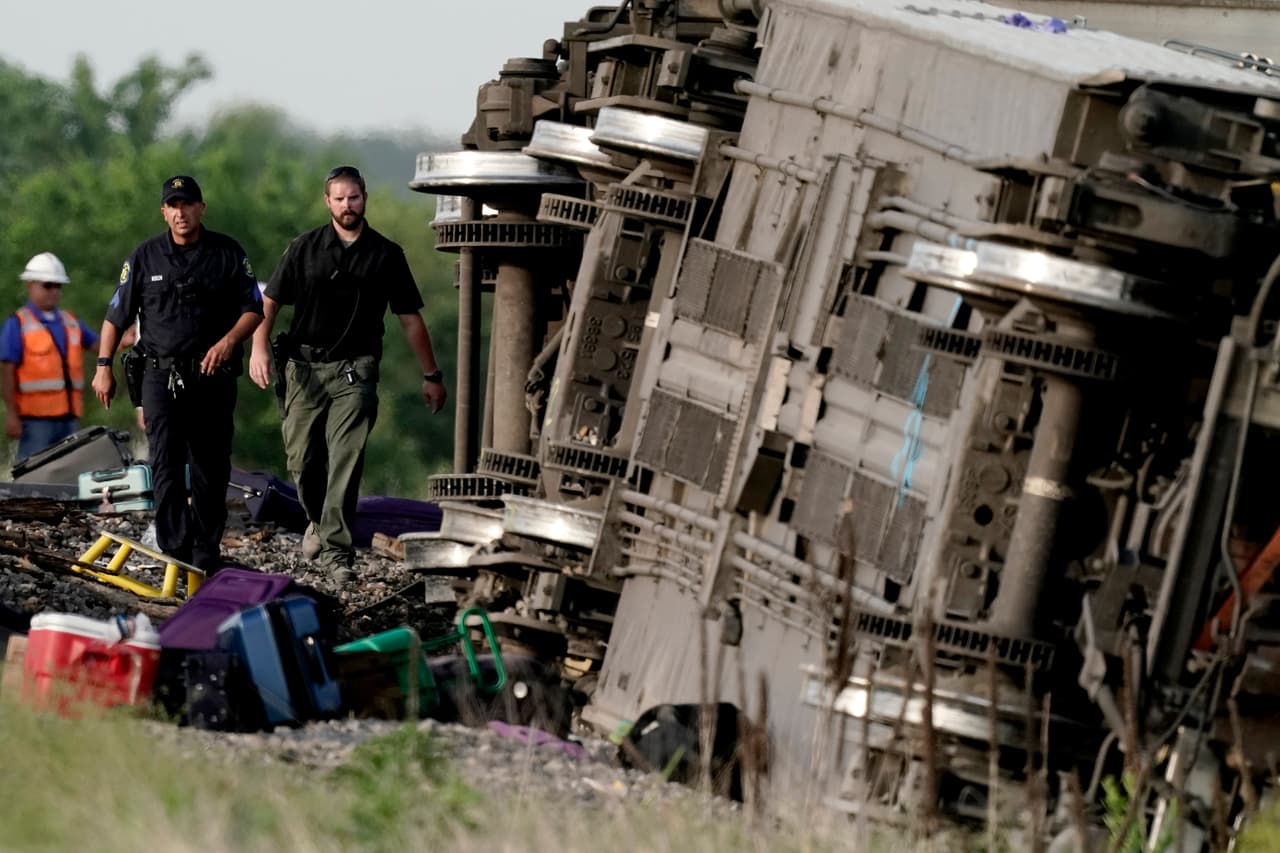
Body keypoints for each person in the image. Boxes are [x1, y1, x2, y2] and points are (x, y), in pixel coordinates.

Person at [249, 165, 446, 582]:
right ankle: (320, 524)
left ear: (364, 198)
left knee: (345, 458)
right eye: (338, 198)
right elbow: (269, 303)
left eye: (353, 197)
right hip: (303, 369)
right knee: (302, 460)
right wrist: (258, 348)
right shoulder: (304, 248)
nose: (346, 205)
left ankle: (337, 553)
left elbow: (410, 318)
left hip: (356, 371)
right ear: (327, 202)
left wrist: (431, 374)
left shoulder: (386, 255)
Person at [92, 175, 263, 572]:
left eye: (188, 204)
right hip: (160, 376)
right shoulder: (145, 256)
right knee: (165, 463)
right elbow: (114, 316)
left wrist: (229, 342)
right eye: (173, 205)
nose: (181, 212)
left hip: (212, 377)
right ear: (164, 212)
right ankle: (174, 550)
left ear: (201, 208)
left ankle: (205, 553)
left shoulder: (227, 253)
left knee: (211, 467)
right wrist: (103, 367)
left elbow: (253, 308)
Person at [1, 253, 101, 460]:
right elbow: (7, 371)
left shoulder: (70, 321)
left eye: (58, 286)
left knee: (71, 474)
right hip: (35, 422)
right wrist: (11, 414)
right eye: (47, 285)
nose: (54, 291)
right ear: (30, 285)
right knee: (34, 477)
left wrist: (128, 336)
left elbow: (99, 345)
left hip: (69, 417)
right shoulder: (18, 324)